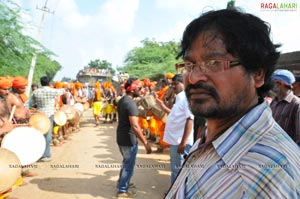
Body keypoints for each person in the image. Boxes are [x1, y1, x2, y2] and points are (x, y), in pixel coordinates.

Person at [165, 9, 300, 198]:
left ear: (257, 74)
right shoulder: (213, 139)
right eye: (189, 65)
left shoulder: (266, 178)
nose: (194, 78)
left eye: (214, 62)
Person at [116, 77, 152, 198]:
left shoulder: (123, 100)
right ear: (132, 89)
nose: (141, 90)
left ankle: (122, 183)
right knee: (129, 165)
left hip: (121, 137)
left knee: (126, 162)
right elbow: (135, 126)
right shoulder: (130, 104)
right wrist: (146, 142)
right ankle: (122, 190)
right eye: (139, 88)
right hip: (128, 139)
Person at [157, 74, 194, 185]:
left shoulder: (186, 98)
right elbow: (175, 115)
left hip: (180, 142)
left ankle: (176, 194)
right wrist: (162, 106)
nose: (173, 87)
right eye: (172, 85)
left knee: (178, 171)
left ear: (184, 83)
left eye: (175, 84)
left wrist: (183, 143)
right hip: (176, 141)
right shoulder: (179, 98)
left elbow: (190, 119)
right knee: (176, 170)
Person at [29, 76, 65, 162]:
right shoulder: (52, 91)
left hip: (38, 115)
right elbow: (63, 90)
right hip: (49, 115)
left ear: (41, 83)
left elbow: (30, 103)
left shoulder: (35, 92)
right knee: (47, 135)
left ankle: (37, 154)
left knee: (38, 134)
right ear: (49, 83)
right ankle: (46, 155)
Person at [270, 69, 300, 145]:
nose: (270, 86)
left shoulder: (296, 104)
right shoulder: (274, 102)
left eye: (272, 83)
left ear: (279, 83)